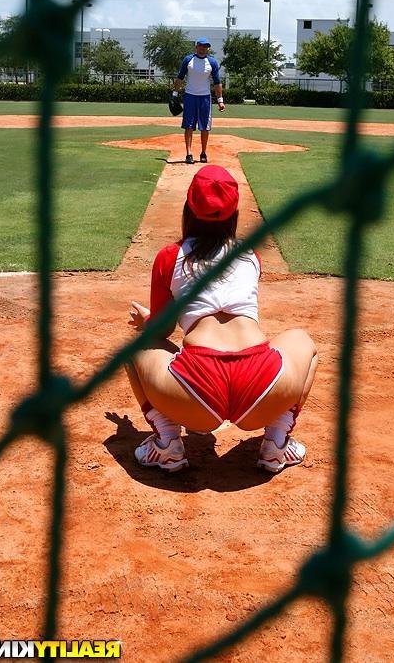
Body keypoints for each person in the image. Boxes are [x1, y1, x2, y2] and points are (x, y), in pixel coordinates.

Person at [126, 165, 319, 474]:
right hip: (262, 387)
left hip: (194, 394)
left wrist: (149, 322)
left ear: (189, 208)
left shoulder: (169, 256)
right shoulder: (249, 255)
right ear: (235, 214)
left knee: (136, 346)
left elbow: (162, 331)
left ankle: (167, 444)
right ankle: (276, 443)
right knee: (303, 341)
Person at [172, 37, 225, 164]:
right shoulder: (188, 60)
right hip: (190, 96)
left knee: (205, 127)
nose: (203, 48)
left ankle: (203, 152)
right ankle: (189, 154)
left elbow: (217, 83)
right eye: (201, 46)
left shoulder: (212, 62)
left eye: (205, 46)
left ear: (208, 48)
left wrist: (220, 100)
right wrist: (174, 94)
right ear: (196, 47)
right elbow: (180, 77)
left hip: (205, 98)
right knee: (188, 125)